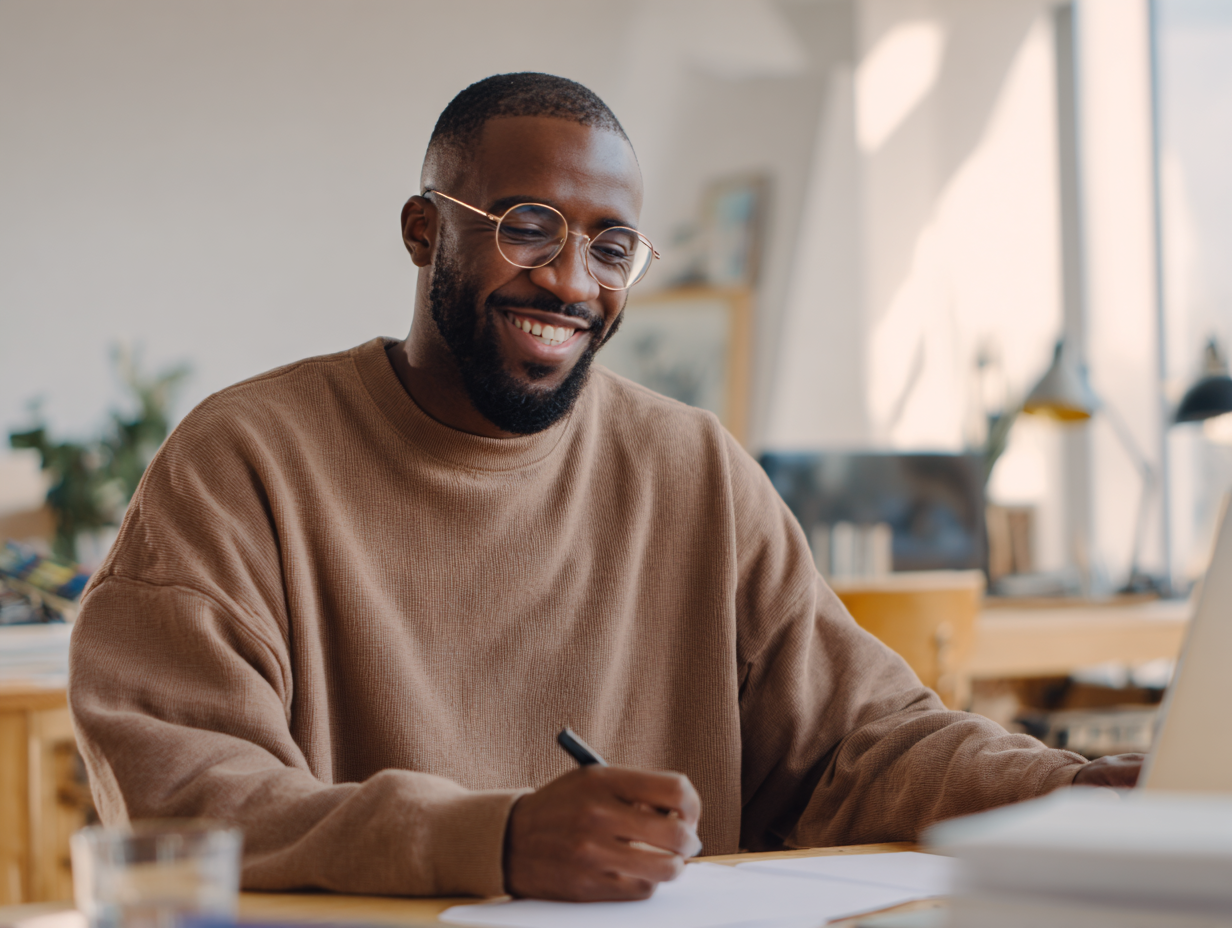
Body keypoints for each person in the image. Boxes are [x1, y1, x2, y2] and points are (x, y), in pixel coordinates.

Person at [68, 72, 1141, 904]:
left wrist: (1078, 789)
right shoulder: (242, 458)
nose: (572, 280)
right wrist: (489, 838)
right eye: (526, 225)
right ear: (422, 228)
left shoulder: (693, 466)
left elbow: (858, 746)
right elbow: (185, 798)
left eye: (611, 246)